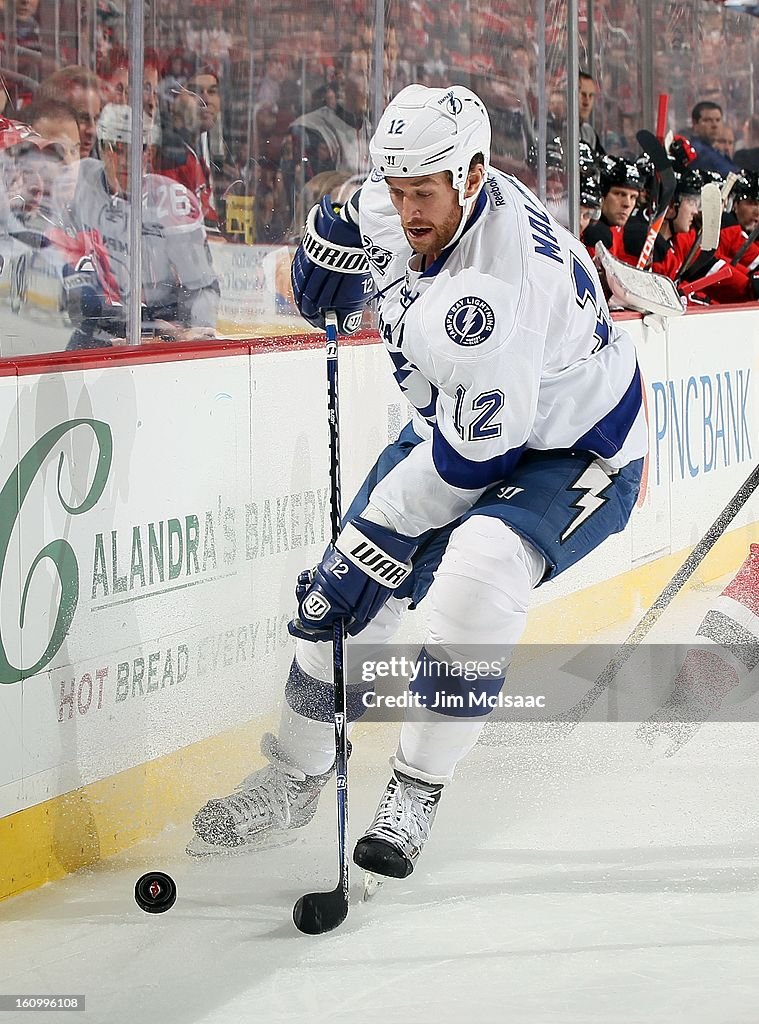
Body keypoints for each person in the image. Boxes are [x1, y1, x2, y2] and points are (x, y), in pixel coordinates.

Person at [191, 84, 646, 879]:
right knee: (339, 605)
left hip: (573, 451)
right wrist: (325, 234)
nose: (405, 211)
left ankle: (416, 787)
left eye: (421, 194)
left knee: (475, 576)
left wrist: (371, 543)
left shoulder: (496, 293)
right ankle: (295, 773)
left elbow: (476, 463)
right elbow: (354, 211)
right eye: (395, 191)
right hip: (461, 419)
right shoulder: (409, 189)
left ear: (472, 176)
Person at [51, 103, 220, 348]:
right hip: (102, 327)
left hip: (163, 328)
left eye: (137, 149)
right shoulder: (79, 182)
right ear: (102, 148)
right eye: (117, 149)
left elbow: (202, 285)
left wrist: (197, 331)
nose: (127, 160)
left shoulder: (172, 201)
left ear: (148, 153)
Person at [582, 155, 643, 259]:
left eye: (633, 197)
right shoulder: (594, 233)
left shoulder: (624, 233)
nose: (627, 204)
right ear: (602, 195)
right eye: (620, 194)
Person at [688, 101, 739, 176]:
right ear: (695, 123)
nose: (714, 125)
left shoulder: (714, 151)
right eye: (708, 120)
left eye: (718, 120)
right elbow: (731, 174)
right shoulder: (698, 151)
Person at [579, 70, 605, 156]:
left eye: (591, 96)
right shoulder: (556, 131)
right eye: (583, 94)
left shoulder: (589, 133)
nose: (587, 102)